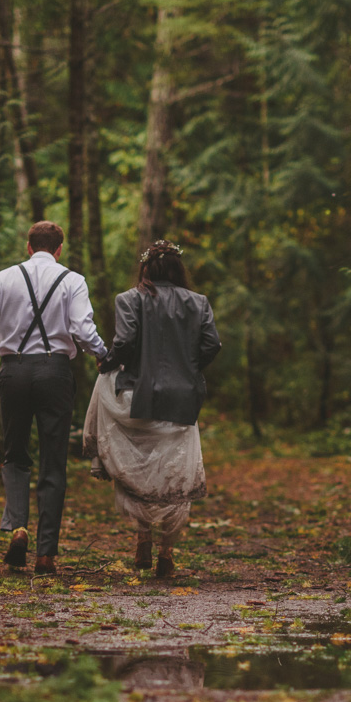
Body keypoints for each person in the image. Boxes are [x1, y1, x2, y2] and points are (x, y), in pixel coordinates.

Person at [0, 221, 108, 575]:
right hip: (55, 373)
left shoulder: (3, 278)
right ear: (59, 249)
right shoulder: (73, 280)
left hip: (13, 372)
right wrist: (103, 354)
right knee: (53, 458)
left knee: (15, 453)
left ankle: (18, 527)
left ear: (28, 247)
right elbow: (83, 330)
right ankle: (46, 554)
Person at [83, 241, 221, 579]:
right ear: (178, 270)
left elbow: (125, 342)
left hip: (136, 395)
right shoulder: (198, 303)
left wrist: (108, 362)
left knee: (138, 469)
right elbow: (212, 345)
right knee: (172, 473)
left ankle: (142, 538)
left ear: (146, 269)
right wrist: (188, 370)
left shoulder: (129, 299)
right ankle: (166, 552)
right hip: (181, 399)